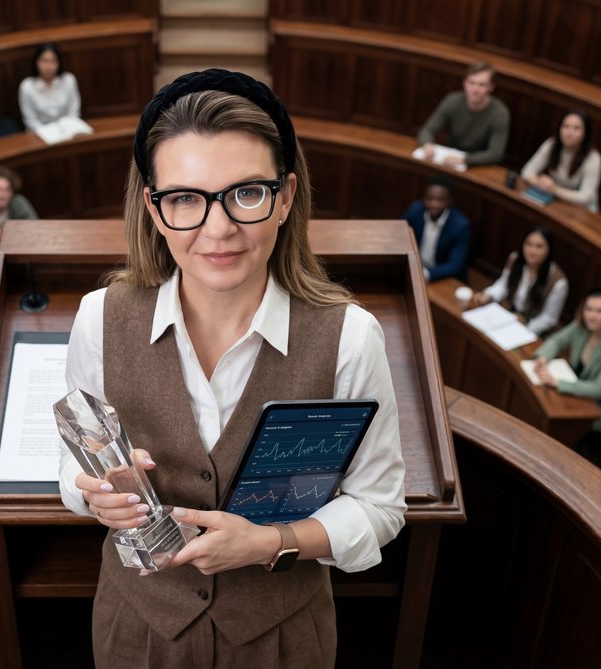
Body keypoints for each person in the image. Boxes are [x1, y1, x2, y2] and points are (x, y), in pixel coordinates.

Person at [58, 69, 406, 667]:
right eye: (185, 199)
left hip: (282, 639)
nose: (218, 230)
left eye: (246, 193)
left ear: (285, 197)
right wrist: (94, 496)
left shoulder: (351, 337)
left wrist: (272, 542)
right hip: (139, 630)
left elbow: (380, 507)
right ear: (154, 209)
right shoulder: (98, 318)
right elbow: (74, 464)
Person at [534, 287, 601, 475]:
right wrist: (543, 357)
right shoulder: (581, 326)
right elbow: (557, 341)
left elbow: (599, 389)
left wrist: (557, 383)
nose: (592, 316)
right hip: (580, 392)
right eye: (589, 309)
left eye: (600, 311)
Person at [474, 226, 568, 335]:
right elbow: (503, 284)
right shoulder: (515, 259)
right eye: (529, 244)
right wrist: (489, 295)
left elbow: (548, 318)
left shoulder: (559, 282)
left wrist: (525, 327)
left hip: (531, 327)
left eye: (539, 247)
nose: (532, 251)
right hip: (506, 313)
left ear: (549, 250)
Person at [417, 61, 510, 167]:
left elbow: (496, 154)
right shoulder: (452, 101)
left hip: (479, 166)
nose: (475, 90)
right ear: (464, 83)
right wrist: (427, 144)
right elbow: (426, 131)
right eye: (471, 83)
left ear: (491, 87)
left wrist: (465, 160)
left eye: (482, 85)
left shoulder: (500, 113)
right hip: (450, 159)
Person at [521, 110, 601, 212]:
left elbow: (584, 197)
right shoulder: (551, 144)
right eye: (565, 126)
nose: (569, 133)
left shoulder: (594, 159)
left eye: (576, 128)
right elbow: (526, 171)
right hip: (556, 200)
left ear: (585, 133)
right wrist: (539, 182)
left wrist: (554, 189)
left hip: (581, 209)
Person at [403, 176, 471, 282]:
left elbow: (455, 264)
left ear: (449, 200)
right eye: (429, 198)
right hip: (415, 267)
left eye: (439, 200)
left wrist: (426, 274)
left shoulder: (460, 226)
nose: (433, 204)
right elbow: (400, 235)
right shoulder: (415, 211)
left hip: (441, 275)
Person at [18, 43, 82, 132]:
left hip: (67, 131)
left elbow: (74, 111)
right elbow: (30, 120)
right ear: (36, 62)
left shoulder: (68, 80)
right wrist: (48, 133)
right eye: (44, 61)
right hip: (40, 133)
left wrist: (66, 129)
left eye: (53, 61)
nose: (49, 66)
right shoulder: (27, 87)